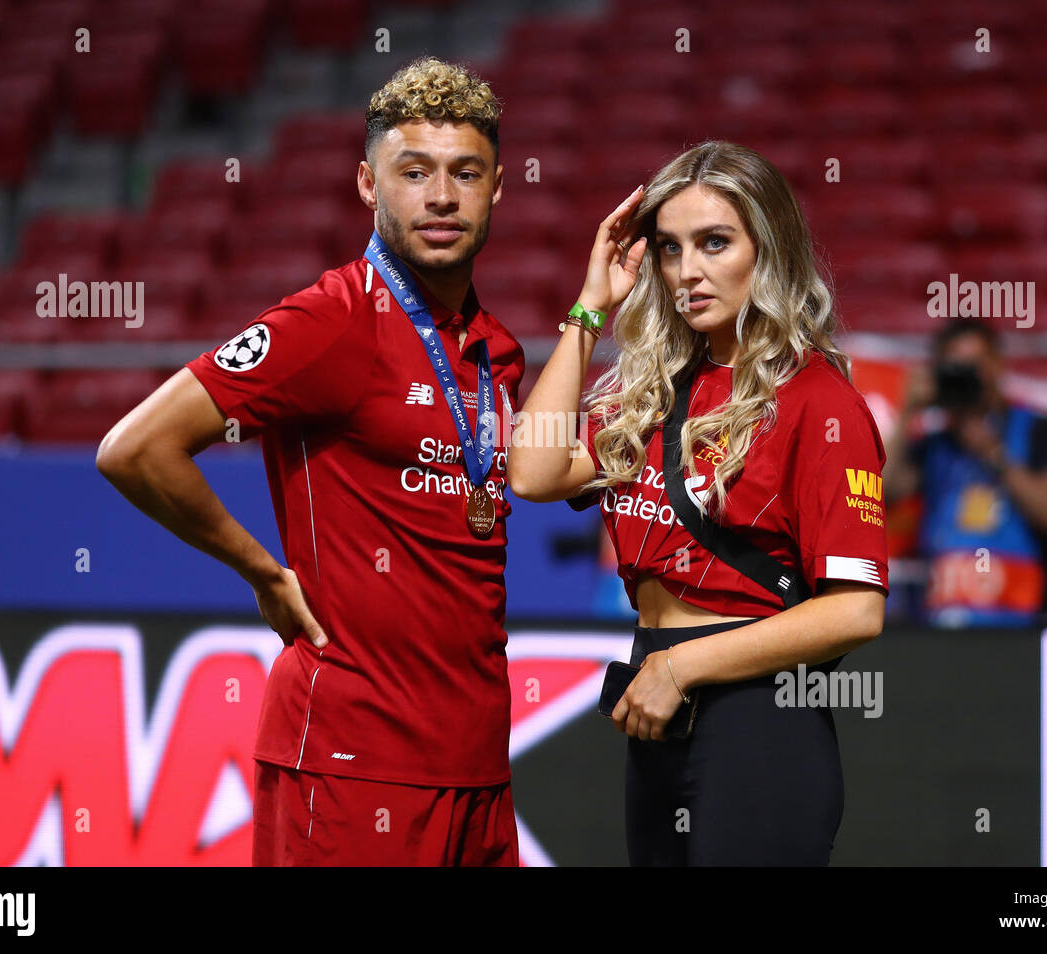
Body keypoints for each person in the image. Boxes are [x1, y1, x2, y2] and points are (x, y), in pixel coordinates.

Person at [96, 57, 525, 866]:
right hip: (353, 767)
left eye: (465, 173)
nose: (440, 197)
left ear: (498, 187)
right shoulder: (330, 321)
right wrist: (262, 570)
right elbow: (135, 449)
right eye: (414, 172)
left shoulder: (494, 352)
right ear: (368, 184)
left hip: (478, 773)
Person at [508, 141, 888, 866]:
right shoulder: (652, 389)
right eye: (671, 248)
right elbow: (532, 470)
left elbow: (856, 611)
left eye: (715, 243)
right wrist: (589, 309)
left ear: (767, 249)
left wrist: (682, 668)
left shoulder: (818, 402)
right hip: (657, 697)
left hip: (757, 716)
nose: (688, 271)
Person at [883, 319, 1047, 627]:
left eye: (975, 366)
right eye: (956, 369)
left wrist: (994, 454)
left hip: (1025, 631)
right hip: (944, 629)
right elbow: (881, 494)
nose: (967, 378)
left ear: (997, 366)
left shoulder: (1040, 432)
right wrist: (908, 412)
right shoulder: (937, 444)